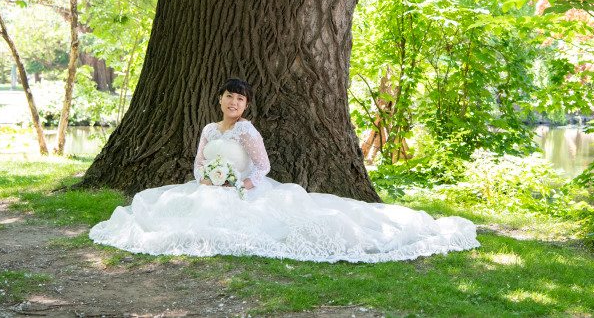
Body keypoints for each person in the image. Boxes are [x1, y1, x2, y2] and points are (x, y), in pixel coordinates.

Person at [89, 78, 480, 263]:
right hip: (212, 186)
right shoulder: (210, 129)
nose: (233, 103)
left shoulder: (246, 129)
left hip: (246, 187)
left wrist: (242, 181)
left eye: (240, 99)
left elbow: (263, 164)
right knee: (176, 210)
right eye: (229, 96)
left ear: (245, 105)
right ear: (220, 98)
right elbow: (198, 161)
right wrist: (207, 177)